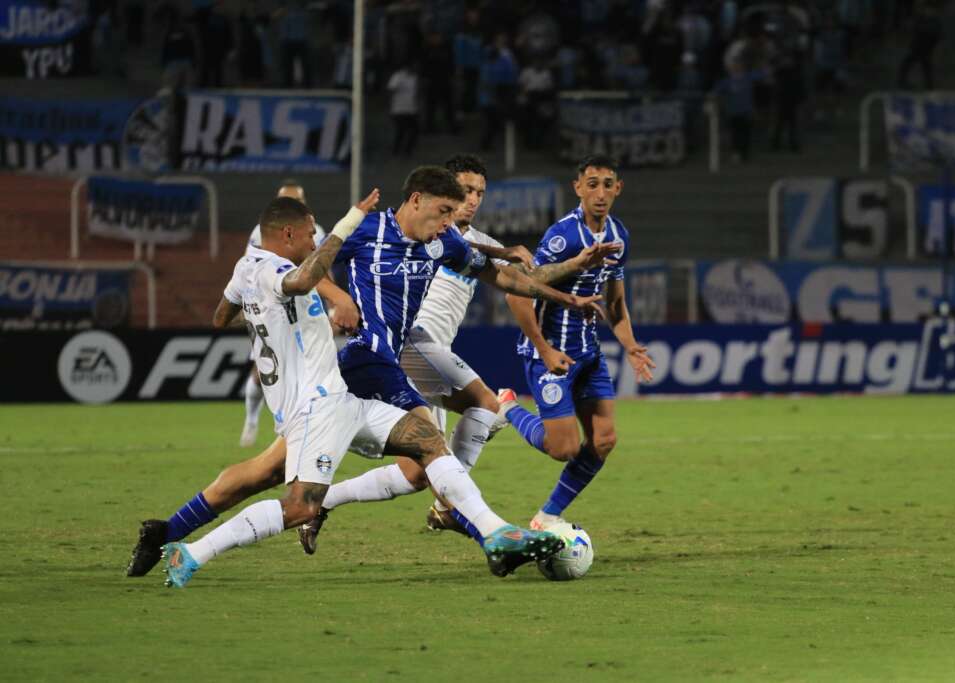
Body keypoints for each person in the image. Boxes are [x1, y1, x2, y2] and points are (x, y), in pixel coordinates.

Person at [127, 166, 601, 580]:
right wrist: (339, 298)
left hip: (372, 367)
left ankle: (167, 531)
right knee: (428, 441)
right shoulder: (365, 231)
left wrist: (566, 294)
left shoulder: (445, 243)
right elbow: (305, 261)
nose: (445, 224)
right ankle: (490, 534)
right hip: (361, 358)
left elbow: (507, 279)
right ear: (415, 200)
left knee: (269, 472)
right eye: (440, 212)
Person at [297, 155, 620, 549]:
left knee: (421, 469)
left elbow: (518, 279)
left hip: (425, 348)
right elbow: (312, 262)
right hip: (410, 345)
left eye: (479, 193)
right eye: (463, 192)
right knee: (469, 418)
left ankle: (330, 500)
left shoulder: (462, 241)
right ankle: (467, 515)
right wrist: (339, 297)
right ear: (431, 196)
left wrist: (570, 276)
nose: (472, 201)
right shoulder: (413, 230)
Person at [497, 154, 656, 533]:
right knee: (563, 448)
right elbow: (517, 294)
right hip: (551, 354)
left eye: (607, 184)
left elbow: (615, 303)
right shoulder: (562, 236)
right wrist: (545, 348)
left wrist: (631, 345)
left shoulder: (619, 236)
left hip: (589, 353)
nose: (600, 193)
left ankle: (548, 515)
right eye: (592, 184)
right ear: (578, 188)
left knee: (603, 440)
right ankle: (506, 407)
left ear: (618, 189)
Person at [239, 181, 360, 448]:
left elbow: (320, 269)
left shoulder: (315, 230)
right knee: (261, 371)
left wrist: (333, 304)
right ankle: (251, 419)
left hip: (305, 307)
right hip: (274, 307)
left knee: (306, 366)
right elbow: (250, 270)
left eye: (298, 199)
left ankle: (298, 426)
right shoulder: (260, 234)